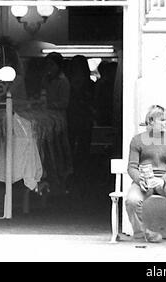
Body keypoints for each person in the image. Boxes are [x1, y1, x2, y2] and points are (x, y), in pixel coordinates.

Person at [125, 105, 166, 248]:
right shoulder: (137, 140)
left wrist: (163, 180)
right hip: (144, 180)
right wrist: (139, 180)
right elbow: (132, 167)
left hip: (164, 179)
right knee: (131, 200)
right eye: (162, 120)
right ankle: (142, 234)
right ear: (151, 121)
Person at [66, 55, 95, 198]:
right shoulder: (88, 84)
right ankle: (81, 181)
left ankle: (78, 181)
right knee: (81, 151)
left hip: (77, 120)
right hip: (80, 120)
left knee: (77, 151)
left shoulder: (70, 84)